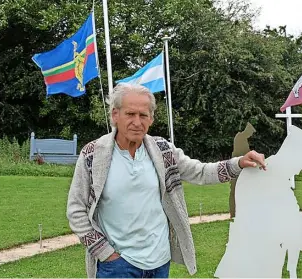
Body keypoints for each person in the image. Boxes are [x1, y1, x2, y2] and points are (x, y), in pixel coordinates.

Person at [66, 83, 266, 278]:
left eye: (143, 115)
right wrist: (105, 253)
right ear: (115, 115)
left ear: (151, 119)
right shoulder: (93, 155)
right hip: (117, 267)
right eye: (130, 114)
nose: (137, 121)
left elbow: (201, 172)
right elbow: (76, 210)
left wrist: (239, 163)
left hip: (159, 263)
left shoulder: (163, 150)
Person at [230, 122, 256, 218]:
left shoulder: (242, 138)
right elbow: (244, 154)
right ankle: (234, 213)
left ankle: (242, 212)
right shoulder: (240, 138)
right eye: (250, 133)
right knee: (235, 191)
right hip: (237, 168)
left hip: (241, 168)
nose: (250, 135)